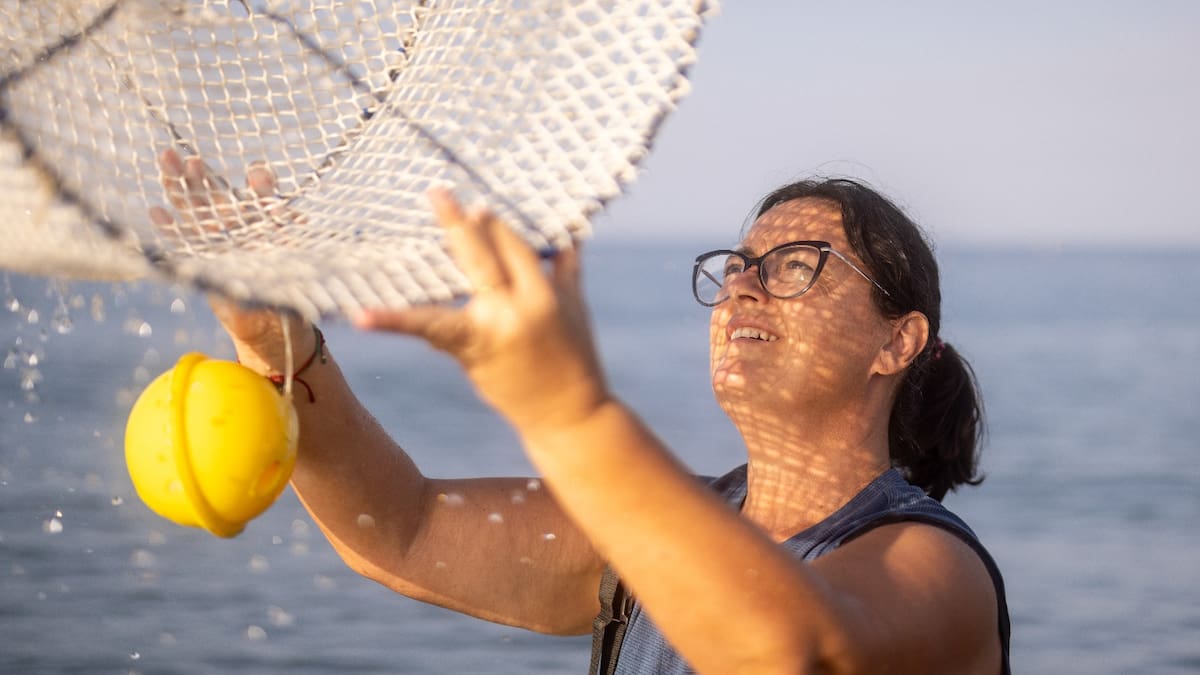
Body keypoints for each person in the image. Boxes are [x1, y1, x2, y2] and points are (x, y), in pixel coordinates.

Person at [154, 149, 1010, 674]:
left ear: (897, 342)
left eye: (797, 263)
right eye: (739, 264)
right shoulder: (649, 539)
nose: (745, 282)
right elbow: (400, 527)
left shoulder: (935, 570)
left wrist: (567, 412)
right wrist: (281, 346)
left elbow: (784, 652)